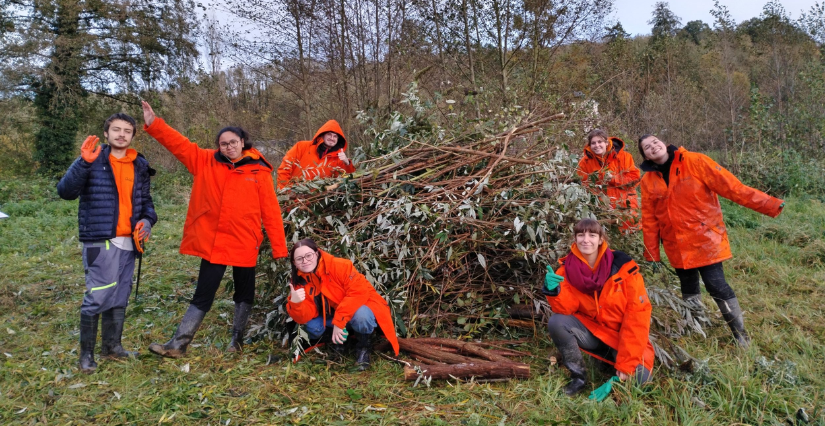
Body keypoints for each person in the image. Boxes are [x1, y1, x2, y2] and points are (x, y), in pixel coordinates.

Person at [140, 101, 289, 358]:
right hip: (215, 242)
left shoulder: (259, 171)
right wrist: (155, 123)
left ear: (243, 141)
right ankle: (178, 344)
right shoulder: (204, 161)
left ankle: (236, 340)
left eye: (233, 142)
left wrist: (280, 249)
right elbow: (179, 144)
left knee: (244, 293)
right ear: (218, 146)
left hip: (245, 240)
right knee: (203, 293)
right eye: (223, 143)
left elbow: (271, 213)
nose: (228, 147)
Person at [638, 134, 784, 348]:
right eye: (646, 147)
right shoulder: (648, 181)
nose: (653, 147)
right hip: (675, 244)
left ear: (664, 143)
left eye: (655, 142)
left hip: (705, 239)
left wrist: (770, 204)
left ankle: (740, 333)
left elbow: (733, 187)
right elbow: (649, 219)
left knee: (716, 286)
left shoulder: (696, 161)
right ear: (645, 156)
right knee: (688, 287)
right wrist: (651, 253)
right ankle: (696, 326)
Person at [57, 113, 157, 374]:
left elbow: (146, 203)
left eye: (127, 130)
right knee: (99, 295)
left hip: (129, 242)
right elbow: (66, 192)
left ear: (133, 135)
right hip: (101, 240)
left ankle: (112, 348)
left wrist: (147, 221)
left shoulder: (140, 165)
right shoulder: (93, 158)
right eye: (116, 129)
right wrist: (82, 163)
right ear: (106, 134)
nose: (121, 134)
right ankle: (86, 357)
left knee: (120, 294)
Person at [544, 219, 654, 396]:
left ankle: (612, 364)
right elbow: (566, 309)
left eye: (592, 235)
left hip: (620, 338)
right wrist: (554, 291)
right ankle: (578, 378)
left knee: (641, 381)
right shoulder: (565, 271)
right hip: (593, 333)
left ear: (601, 239)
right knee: (557, 322)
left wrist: (626, 367)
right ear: (575, 238)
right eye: (581, 235)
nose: (586, 240)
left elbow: (637, 319)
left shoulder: (625, 271)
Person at [285, 239, 400, 370]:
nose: (305, 261)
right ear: (294, 263)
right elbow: (303, 318)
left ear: (316, 254)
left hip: (357, 309)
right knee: (312, 327)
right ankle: (341, 342)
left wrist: (339, 322)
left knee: (362, 316)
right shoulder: (299, 282)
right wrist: (296, 303)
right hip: (331, 316)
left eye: (308, 255)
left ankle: (363, 346)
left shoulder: (341, 266)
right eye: (299, 259)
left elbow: (358, 293)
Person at [577, 129, 641, 231]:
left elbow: (635, 179)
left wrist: (614, 178)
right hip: (602, 211)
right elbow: (584, 186)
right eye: (593, 143)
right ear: (589, 145)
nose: (597, 145)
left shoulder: (625, 157)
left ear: (606, 143)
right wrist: (601, 204)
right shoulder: (585, 162)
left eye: (600, 142)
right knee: (605, 239)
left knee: (628, 236)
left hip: (626, 208)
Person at [276, 120, 355, 190]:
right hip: (293, 196)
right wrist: (285, 191)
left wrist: (347, 163)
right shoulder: (302, 147)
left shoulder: (338, 158)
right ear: (323, 135)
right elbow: (284, 169)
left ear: (338, 140)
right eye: (329, 134)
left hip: (314, 200)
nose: (332, 138)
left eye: (335, 136)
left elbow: (345, 180)